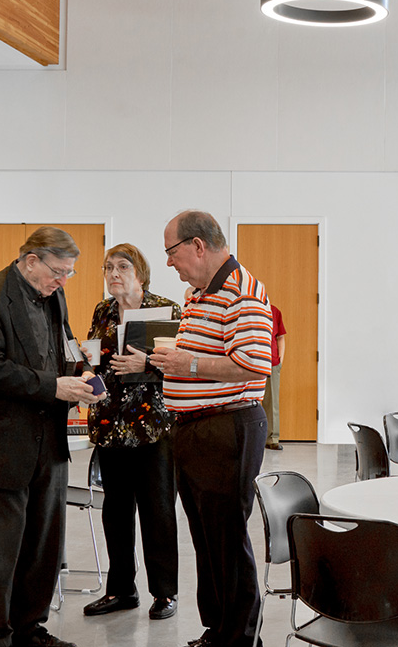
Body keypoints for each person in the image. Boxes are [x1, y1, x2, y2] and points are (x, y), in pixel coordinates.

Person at [0, 227, 102, 647]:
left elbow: (63, 345)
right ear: (30, 262)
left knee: (43, 544)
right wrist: (53, 386)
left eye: (69, 273)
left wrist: (82, 373)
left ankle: (30, 629)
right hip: (2, 443)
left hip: (49, 442)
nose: (63, 281)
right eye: (59, 271)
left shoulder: (53, 295)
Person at [150, 210, 272, 647]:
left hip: (227, 428)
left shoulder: (243, 293)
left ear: (197, 245)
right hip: (195, 429)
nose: (169, 263)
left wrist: (189, 363)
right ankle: (217, 629)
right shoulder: (201, 293)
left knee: (226, 537)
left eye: (171, 252)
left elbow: (254, 366)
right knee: (205, 538)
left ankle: (240, 637)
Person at [81, 243, 181, 621]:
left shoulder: (167, 309)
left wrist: (148, 362)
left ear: (140, 272)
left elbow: (181, 368)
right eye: (108, 267)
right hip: (110, 424)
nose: (113, 274)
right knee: (116, 511)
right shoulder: (103, 311)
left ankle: (165, 593)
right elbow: (96, 359)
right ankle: (121, 590)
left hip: (153, 427)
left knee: (157, 511)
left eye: (122, 266)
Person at [260, 306, 286, 451]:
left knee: (272, 402)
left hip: (272, 363)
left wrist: (280, 361)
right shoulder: (245, 308)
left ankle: (273, 438)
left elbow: (281, 337)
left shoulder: (274, 311)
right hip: (249, 362)